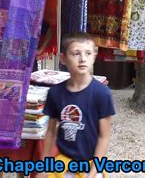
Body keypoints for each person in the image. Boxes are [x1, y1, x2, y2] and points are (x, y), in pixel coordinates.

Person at [40, 32, 116, 178]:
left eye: (88, 53)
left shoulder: (102, 94)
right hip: (64, 164)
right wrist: (44, 166)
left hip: (91, 166)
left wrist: (94, 172)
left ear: (94, 56)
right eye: (76, 54)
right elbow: (50, 132)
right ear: (63, 58)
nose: (82, 59)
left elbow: (104, 137)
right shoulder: (55, 93)